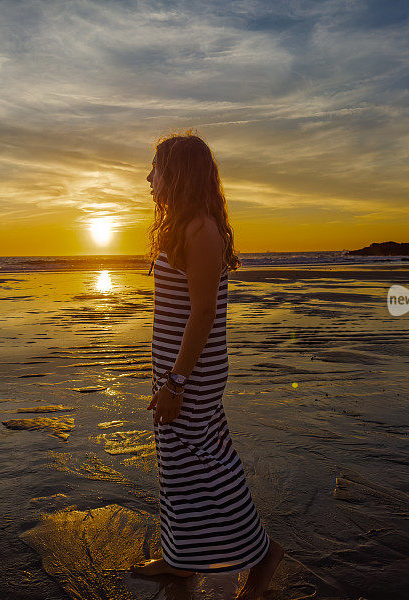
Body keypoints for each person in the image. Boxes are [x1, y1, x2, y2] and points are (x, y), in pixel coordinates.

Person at [131, 132, 284, 599]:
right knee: (178, 463)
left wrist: (177, 382)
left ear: (177, 174)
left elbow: (202, 312)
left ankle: (263, 555)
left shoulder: (200, 230)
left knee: (205, 462)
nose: (149, 177)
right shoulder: (183, 226)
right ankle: (181, 561)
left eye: (156, 167)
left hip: (191, 372)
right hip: (178, 367)